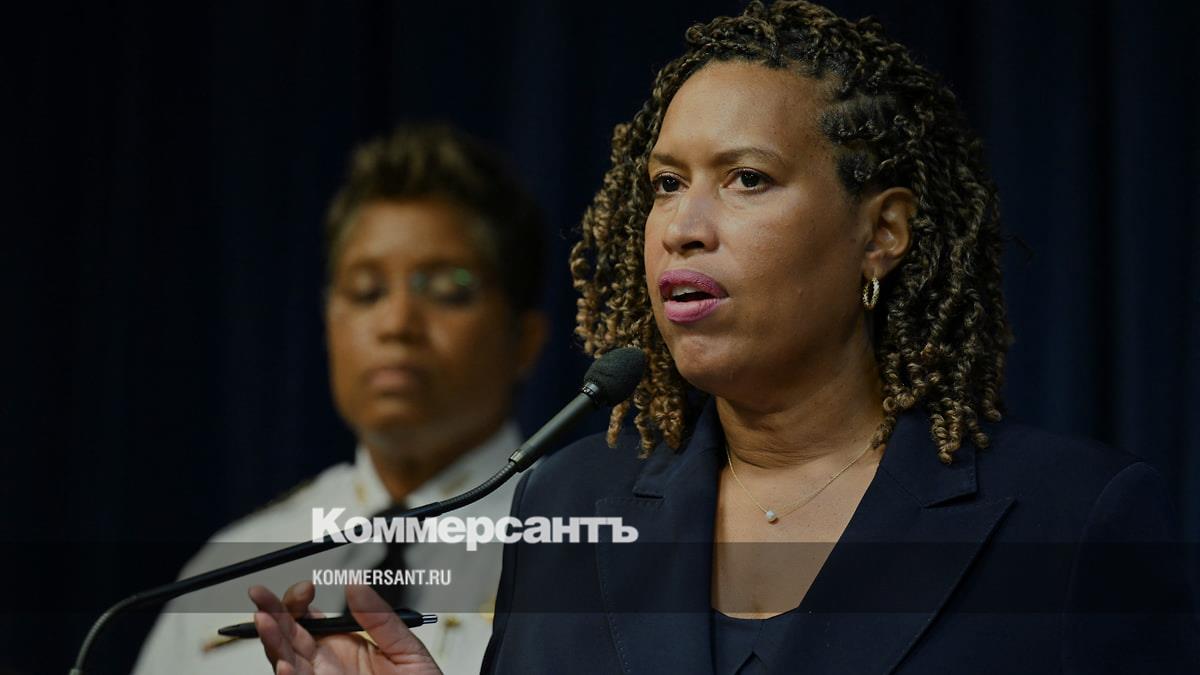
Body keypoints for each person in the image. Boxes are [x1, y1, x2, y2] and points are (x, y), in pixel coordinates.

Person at [250, 2, 1200, 673]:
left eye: (746, 179)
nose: (682, 226)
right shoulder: (568, 507)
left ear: (882, 232)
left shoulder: (1076, 519)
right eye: (666, 184)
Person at [133, 123, 548, 675]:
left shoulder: (586, 556)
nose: (397, 323)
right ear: (329, 322)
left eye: (447, 289)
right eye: (366, 290)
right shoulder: (235, 566)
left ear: (524, 340)